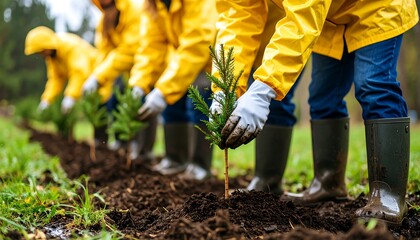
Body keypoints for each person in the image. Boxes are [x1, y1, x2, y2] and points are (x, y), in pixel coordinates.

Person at [212, 0, 418, 225]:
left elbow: (302, 15)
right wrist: (224, 87)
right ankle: (328, 182)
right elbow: (238, 18)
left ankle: (388, 195)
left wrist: (264, 89)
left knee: (373, 85)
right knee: (323, 96)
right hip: (328, 17)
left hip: (375, 7)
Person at [128, 0, 217, 180]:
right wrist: (139, 83)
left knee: (198, 105)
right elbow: (151, 47)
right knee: (172, 103)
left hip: (209, 57)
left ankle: (200, 166)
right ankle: (175, 160)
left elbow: (198, 41)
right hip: (182, 59)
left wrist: (164, 89)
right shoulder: (153, 6)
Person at [83, 0, 157, 160]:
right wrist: (97, 79)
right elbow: (104, 54)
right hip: (126, 72)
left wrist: (99, 76)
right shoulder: (105, 21)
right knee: (117, 99)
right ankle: (127, 146)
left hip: (148, 64)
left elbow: (129, 51)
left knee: (144, 104)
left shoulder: (134, 11)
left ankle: (144, 151)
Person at [24, 26, 96, 115]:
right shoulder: (52, 57)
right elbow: (56, 79)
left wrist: (71, 96)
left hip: (99, 76)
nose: (42, 55)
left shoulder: (70, 46)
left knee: (101, 111)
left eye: (41, 51)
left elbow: (79, 73)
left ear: (47, 45)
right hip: (89, 85)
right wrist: (46, 100)